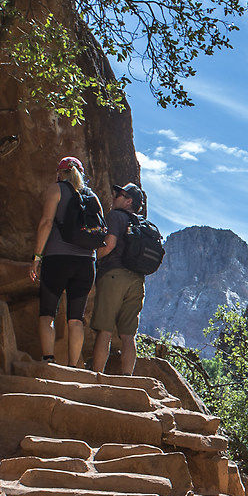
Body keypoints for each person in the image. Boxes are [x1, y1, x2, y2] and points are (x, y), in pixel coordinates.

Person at [31, 156, 109, 367]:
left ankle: (48, 361)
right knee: (76, 319)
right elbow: (101, 231)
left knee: (47, 313)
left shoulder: (56, 189)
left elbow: (46, 223)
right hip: (86, 263)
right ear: (81, 173)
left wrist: (37, 257)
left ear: (60, 172)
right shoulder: (93, 197)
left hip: (57, 258)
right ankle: (73, 366)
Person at [86, 182, 148, 376]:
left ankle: (97, 378)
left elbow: (110, 244)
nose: (114, 197)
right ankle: (127, 380)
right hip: (137, 280)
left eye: (119, 195)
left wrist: (94, 256)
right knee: (128, 335)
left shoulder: (115, 216)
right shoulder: (141, 224)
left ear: (128, 201)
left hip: (114, 275)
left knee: (104, 330)